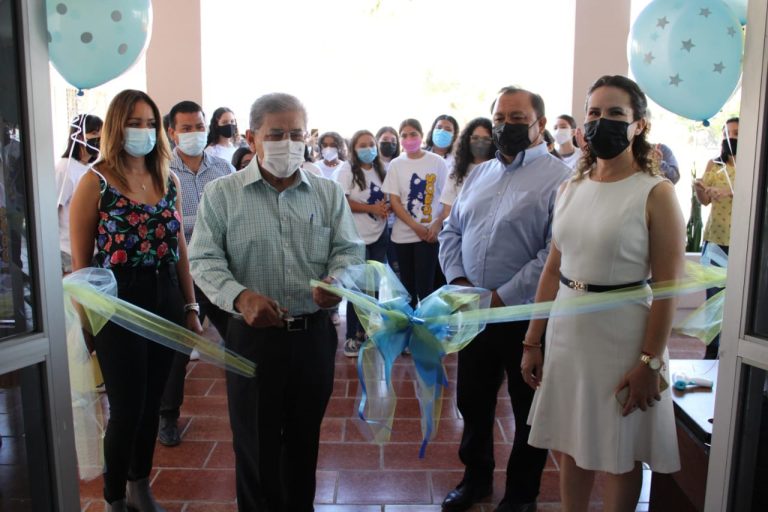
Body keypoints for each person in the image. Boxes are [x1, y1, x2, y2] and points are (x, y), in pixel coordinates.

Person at [188, 92, 364, 512]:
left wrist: (336, 281)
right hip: (253, 341)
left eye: (296, 133)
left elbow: (349, 251)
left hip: (312, 338)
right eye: (276, 134)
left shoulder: (325, 193)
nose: (288, 142)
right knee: (256, 448)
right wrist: (241, 296)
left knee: (304, 444)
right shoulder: (222, 194)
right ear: (252, 137)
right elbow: (204, 259)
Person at [522, 75, 684, 512]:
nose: (602, 122)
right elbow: (553, 269)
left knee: (618, 452)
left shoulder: (656, 193)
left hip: (623, 336)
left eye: (616, 114)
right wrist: (533, 339)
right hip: (568, 330)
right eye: (594, 113)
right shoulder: (570, 187)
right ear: (582, 124)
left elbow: (668, 289)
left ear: (639, 126)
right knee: (572, 443)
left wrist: (649, 362)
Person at [438, 86, 572, 512]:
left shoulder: (562, 179)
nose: (505, 126)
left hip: (525, 318)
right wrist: (459, 283)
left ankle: (520, 495)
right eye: (500, 117)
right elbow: (450, 232)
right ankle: (475, 480)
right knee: (473, 402)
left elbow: (553, 253)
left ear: (540, 124)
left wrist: (500, 298)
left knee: (527, 407)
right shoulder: (480, 173)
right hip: (473, 314)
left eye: (517, 118)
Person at [69, 89, 202, 512]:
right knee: (126, 407)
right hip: (117, 299)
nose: (142, 132)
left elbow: (178, 243)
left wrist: (191, 305)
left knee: (153, 403)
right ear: (115, 127)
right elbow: (81, 265)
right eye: (134, 123)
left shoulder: (168, 177)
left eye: (149, 123)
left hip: (164, 293)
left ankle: (139, 483)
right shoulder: (96, 181)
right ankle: (113, 497)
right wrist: (89, 322)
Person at [157, 100, 235, 448]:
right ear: (171, 132)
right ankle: (167, 416)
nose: (194, 134)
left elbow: (238, 216)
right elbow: (164, 225)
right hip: (182, 273)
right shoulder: (161, 172)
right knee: (177, 346)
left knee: (240, 335)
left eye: (198, 127)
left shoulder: (223, 169)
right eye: (185, 128)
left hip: (220, 271)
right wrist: (200, 224)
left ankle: (252, 400)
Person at [382, 118, 448, 309]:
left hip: (429, 236)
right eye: (404, 135)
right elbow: (394, 201)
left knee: (427, 289)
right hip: (402, 237)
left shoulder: (437, 162)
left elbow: (448, 199)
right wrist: (415, 226)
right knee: (406, 290)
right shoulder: (396, 164)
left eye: (413, 134)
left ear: (421, 135)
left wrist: (437, 223)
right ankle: (408, 331)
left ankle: (427, 331)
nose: (409, 138)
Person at [336, 129, 389, 357]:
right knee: (356, 288)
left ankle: (367, 332)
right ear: (354, 149)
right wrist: (371, 209)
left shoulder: (382, 169)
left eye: (371, 144)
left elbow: (389, 195)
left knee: (373, 287)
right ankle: (352, 336)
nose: (368, 149)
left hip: (379, 235)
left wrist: (385, 207)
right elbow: (343, 202)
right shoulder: (347, 170)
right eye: (362, 145)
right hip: (356, 237)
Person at [694, 116, 738, 359]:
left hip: (743, 243)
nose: (731, 138)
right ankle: (711, 353)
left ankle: (733, 354)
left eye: (736, 133)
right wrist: (699, 188)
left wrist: (728, 191)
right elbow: (704, 201)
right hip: (715, 240)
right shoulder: (714, 164)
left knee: (739, 301)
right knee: (713, 298)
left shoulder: (754, 163)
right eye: (727, 133)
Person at [56, 114, 102, 273]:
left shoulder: (93, 169)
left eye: (101, 133)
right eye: (94, 133)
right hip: (69, 251)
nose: (99, 138)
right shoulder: (65, 168)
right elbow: (54, 209)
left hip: (93, 252)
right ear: (80, 136)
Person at [440, 117, 496, 219]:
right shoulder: (456, 171)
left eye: (486, 139)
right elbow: (447, 210)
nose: (480, 143)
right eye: (475, 138)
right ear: (467, 140)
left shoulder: (500, 169)